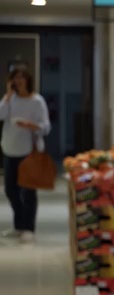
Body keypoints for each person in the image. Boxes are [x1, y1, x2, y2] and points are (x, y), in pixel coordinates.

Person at [0, 67, 51, 243]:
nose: (19, 80)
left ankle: (28, 228)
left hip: (29, 151)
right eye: (16, 77)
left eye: (22, 77)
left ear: (28, 81)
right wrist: (7, 96)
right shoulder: (10, 99)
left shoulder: (37, 101)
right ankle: (19, 224)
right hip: (9, 149)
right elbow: (1, 115)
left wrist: (32, 126)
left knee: (28, 191)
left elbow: (46, 127)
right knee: (10, 189)